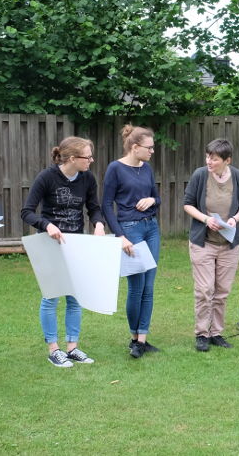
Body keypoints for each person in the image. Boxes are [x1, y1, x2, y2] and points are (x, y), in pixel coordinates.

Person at [21, 137, 107, 367]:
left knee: (75, 298)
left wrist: (98, 223)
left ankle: (72, 347)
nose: (91, 160)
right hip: (50, 244)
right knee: (51, 298)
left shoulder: (87, 178)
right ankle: (54, 349)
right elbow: (27, 212)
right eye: (87, 157)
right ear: (72, 159)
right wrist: (47, 225)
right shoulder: (47, 177)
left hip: (75, 244)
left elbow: (94, 208)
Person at [182, 139, 239, 351]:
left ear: (227, 160)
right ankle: (202, 334)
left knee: (222, 291)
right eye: (208, 157)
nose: (209, 161)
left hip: (229, 244)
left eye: (214, 158)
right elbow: (187, 204)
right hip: (203, 242)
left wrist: (234, 220)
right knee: (204, 289)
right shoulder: (200, 175)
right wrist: (205, 219)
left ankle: (216, 333)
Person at [102, 124, 161, 358]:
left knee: (149, 288)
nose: (152, 151)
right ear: (135, 147)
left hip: (152, 229)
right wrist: (120, 236)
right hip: (130, 231)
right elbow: (106, 205)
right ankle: (134, 339)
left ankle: (143, 339)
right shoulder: (115, 169)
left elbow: (158, 197)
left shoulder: (146, 169)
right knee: (136, 288)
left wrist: (151, 200)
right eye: (149, 147)